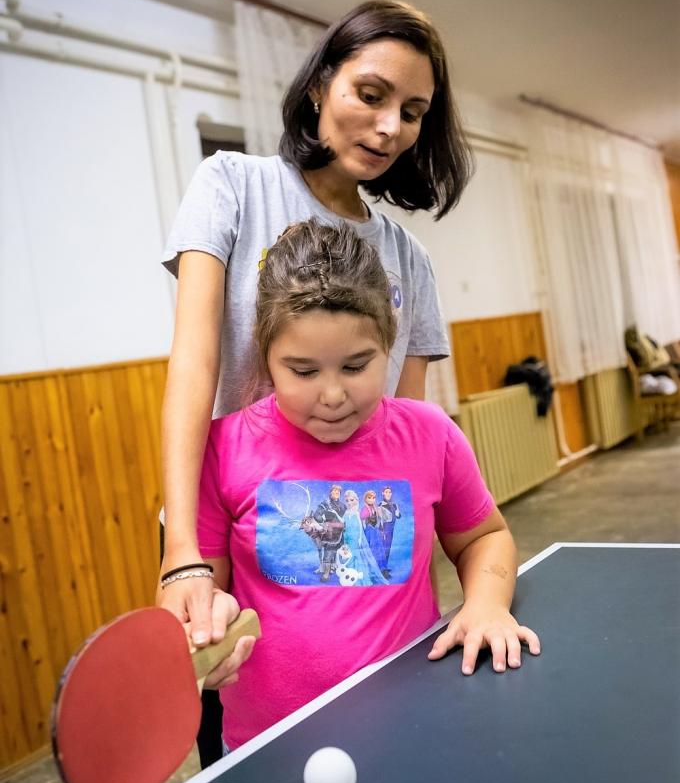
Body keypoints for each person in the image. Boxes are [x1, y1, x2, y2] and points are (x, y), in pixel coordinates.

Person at [157, 0, 473, 647]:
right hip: (229, 525)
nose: (390, 127)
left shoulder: (409, 259)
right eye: (371, 93)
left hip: (356, 535)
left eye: (412, 113)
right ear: (321, 83)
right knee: (239, 710)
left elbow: (403, 441)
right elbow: (194, 362)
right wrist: (184, 549)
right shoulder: (232, 185)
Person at [169, 219, 540, 751]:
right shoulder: (222, 450)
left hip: (412, 725)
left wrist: (485, 603)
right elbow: (209, 586)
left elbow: (484, 536)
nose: (334, 394)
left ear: (388, 344)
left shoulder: (430, 434)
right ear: (266, 356)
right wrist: (211, 625)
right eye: (302, 371)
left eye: (356, 365)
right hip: (267, 743)